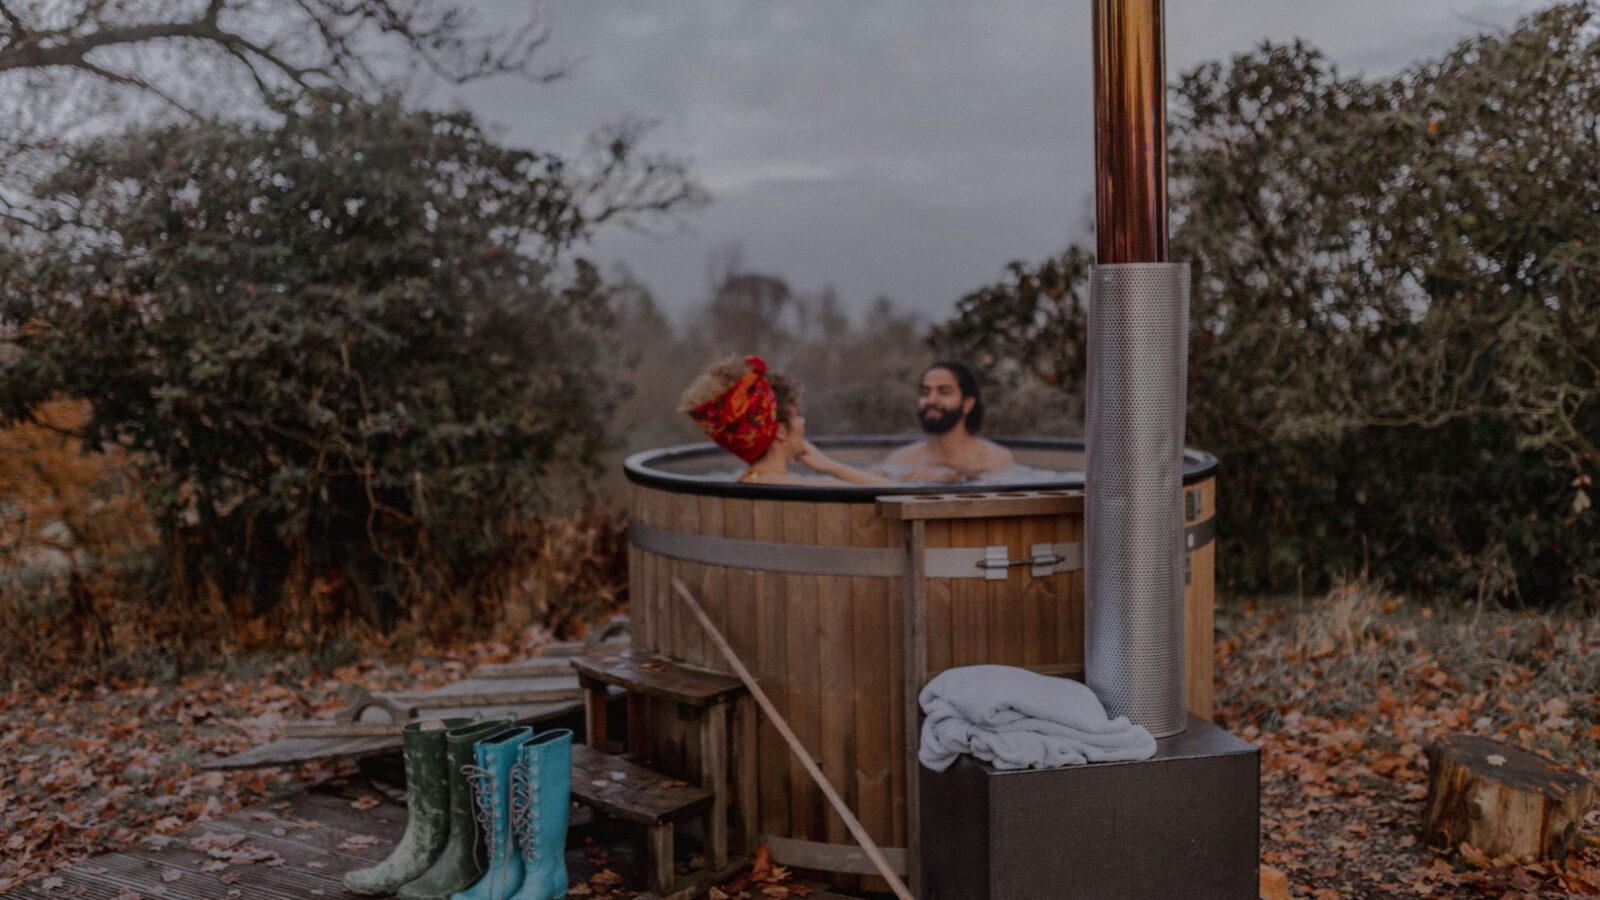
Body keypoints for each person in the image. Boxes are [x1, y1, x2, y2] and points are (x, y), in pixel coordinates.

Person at [680, 355, 889, 486]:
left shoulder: (742, 483)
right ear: (780, 431)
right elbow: (894, 492)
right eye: (796, 414)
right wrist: (830, 466)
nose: (803, 422)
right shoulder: (798, 487)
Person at [884, 360, 1015, 481]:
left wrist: (953, 480)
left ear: (967, 404)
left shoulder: (995, 460)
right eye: (925, 392)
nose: (931, 400)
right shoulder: (901, 459)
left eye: (944, 392)